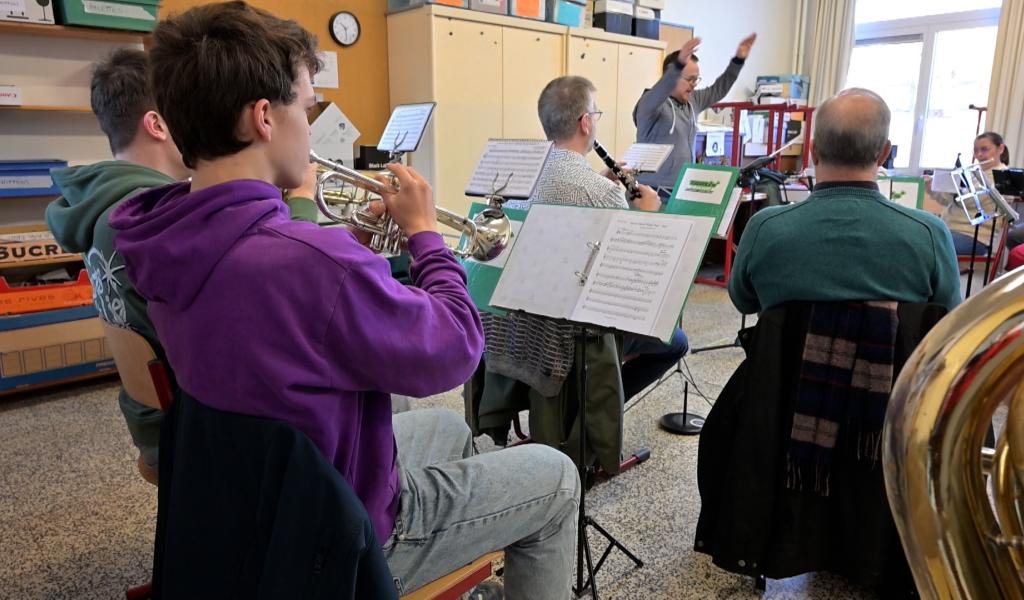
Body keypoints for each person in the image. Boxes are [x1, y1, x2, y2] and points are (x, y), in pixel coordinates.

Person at [105, 3, 579, 599]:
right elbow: (456, 349)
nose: (312, 125)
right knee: (556, 477)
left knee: (445, 432)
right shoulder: (309, 262)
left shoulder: (161, 235)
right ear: (263, 118)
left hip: (253, 502)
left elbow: (281, 308)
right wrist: (426, 237)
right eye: (307, 107)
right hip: (337, 537)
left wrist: (347, 251)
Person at [45, 49, 322, 484]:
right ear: (158, 124)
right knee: (364, 387)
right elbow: (290, 287)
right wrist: (302, 202)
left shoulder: (104, 207)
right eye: (190, 113)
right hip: (200, 425)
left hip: (156, 415)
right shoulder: (161, 220)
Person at [487, 75, 686, 419]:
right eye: (596, 113)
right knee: (676, 343)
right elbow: (630, 278)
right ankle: (595, 412)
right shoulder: (601, 193)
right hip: (573, 331)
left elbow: (563, 194)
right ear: (585, 122)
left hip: (518, 320)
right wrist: (648, 216)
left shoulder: (519, 179)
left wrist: (602, 181)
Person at [728, 88, 961, 315]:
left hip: (782, 355)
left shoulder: (764, 227)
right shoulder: (930, 233)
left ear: (814, 150)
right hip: (893, 355)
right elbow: (949, 318)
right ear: (884, 153)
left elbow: (744, 302)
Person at [634, 34, 757, 197]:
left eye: (696, 79)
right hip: (651, 192)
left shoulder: (693, 100)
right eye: (689, 79)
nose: (693, 84)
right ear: (672, 75)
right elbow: (662, 88)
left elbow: (718, 89)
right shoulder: (650, 104)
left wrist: (738, 61)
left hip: (682, 190)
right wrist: (678, 64)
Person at [928, 131, 1011, 255]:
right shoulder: (974, 174)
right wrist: (931, 188)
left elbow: (968, 201)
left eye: (984, 149)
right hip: (950, 228)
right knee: (915, 238)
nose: (979, 155)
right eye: (976, 150)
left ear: (1001, 149)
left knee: (926, 246)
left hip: (974, 237)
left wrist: (952, 188)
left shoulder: (1003, 177)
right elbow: (948, 202)